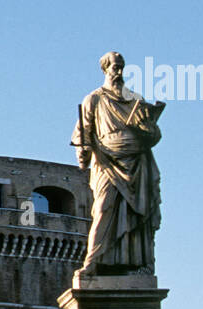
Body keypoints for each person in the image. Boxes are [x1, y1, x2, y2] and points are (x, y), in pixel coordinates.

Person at [70, 51, 165, 275]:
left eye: (122, 67)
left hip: (137, 162)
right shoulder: (93, 99)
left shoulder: (136, 100)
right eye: (115, 67)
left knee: (136, 214)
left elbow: (154, 136)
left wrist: (147, 127)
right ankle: (92, 262)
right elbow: (82, 134)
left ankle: (140, 264)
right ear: (105, 69)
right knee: (104, 209)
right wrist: (83, 153)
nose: (119, 72)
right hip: (106, 162)